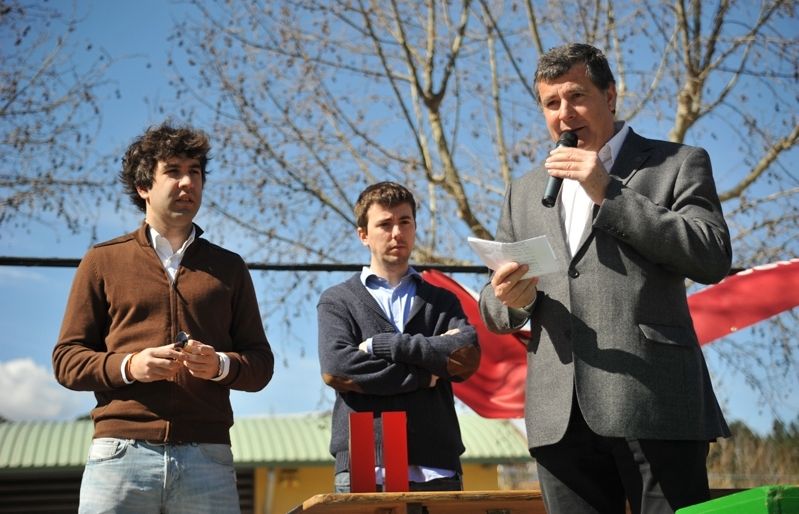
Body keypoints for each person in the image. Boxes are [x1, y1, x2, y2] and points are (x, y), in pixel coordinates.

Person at [479, 43, 731, 514]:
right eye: (551, 104)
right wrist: (510, 299)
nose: (564, 113)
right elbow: (493, 304)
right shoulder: (526, 191)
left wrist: (606, 191)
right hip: (558, 415)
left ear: (611, 96)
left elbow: (710, 254)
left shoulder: (678, 163)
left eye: (576, 96)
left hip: (654, 403)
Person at [53, 122, 275, 514]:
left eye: (195, 172)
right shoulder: (102, 261)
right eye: (173, 171)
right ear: (144, 187)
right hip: (120, 456)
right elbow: (67, 361)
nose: (187, 181)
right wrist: (130, 366)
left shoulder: (230, 267)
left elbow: (260, 364)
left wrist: (220, 365)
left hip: (209, 458)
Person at [317, 181, 480, 493]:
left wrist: (386, 346)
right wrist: (425, 373)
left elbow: (465, 358)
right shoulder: (337, 300)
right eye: (385, 224)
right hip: (365, 463)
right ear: (363, 234)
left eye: (405, 222)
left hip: (437, 466)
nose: (396, 233)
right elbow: (337, 368)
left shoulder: (442, 300)